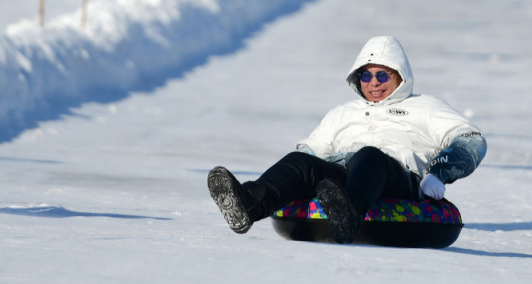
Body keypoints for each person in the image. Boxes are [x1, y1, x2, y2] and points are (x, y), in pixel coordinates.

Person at [207, 36, 487, 244]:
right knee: (300, 161)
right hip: (343, 174)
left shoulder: (425, 106)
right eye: (366, 75)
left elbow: (470, 139)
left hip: (395, 176)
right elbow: (312, 150)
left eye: (382, 75)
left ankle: (348, 214)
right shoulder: (342, 112)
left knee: (369, 155)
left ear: (401, 77)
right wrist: (297, 179)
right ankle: (251, 203)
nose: (373, 82)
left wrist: (440, 173)